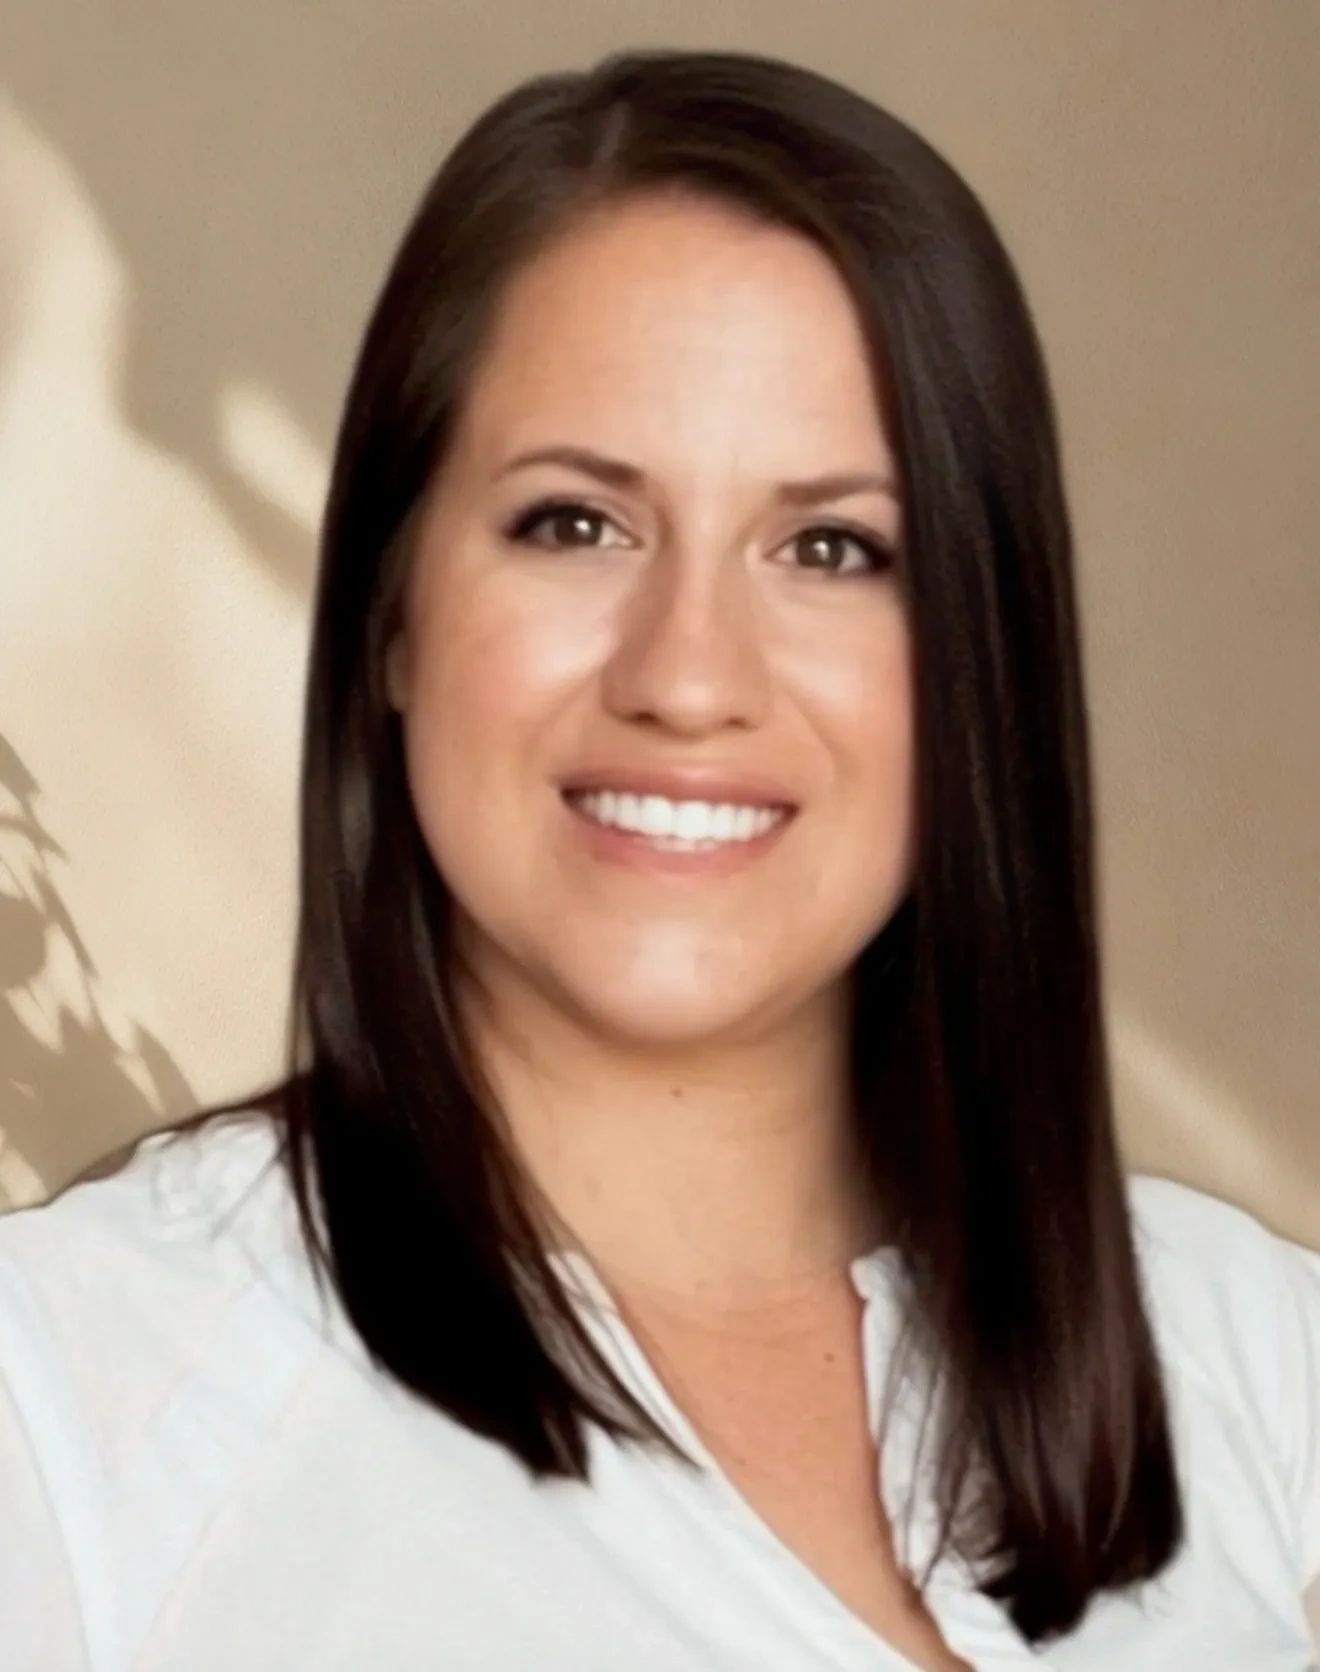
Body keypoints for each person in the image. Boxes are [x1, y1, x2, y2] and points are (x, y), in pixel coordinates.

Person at [1, 45, 1316, 1672]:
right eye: (575, 523)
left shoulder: (1260, 1365)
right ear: (393, 610)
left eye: (831, 547)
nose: (688, 676)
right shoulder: (66, 1401)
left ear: (981, 659)